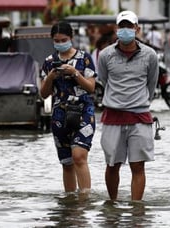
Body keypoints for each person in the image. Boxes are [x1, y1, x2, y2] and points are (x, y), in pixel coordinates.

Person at [97, 10, 159, 201]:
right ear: (117, 29)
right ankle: (112, 203)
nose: (125, 30)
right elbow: (104, 81)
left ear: (137, 29)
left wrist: (137, 101)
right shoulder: (105, 55)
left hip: (140, 116)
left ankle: (136, 209)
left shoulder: (150, 55)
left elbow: (151, 84)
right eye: (122, 26)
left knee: (138, 165)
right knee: (112, 164)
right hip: (112, 116)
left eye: (129, 26)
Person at [39, 21, 97, 194]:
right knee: (66, 162)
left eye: (64, 39)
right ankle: (70, 202)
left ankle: (84, 197)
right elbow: (44, 94)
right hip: (60, 115)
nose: (60, 42)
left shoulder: (84, 58)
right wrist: (50, 77)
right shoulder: (49, 62)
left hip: (83, 112)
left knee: (79, 156)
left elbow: (91, 87)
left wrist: (75, 73)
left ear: (71, 37)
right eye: (56, 40)